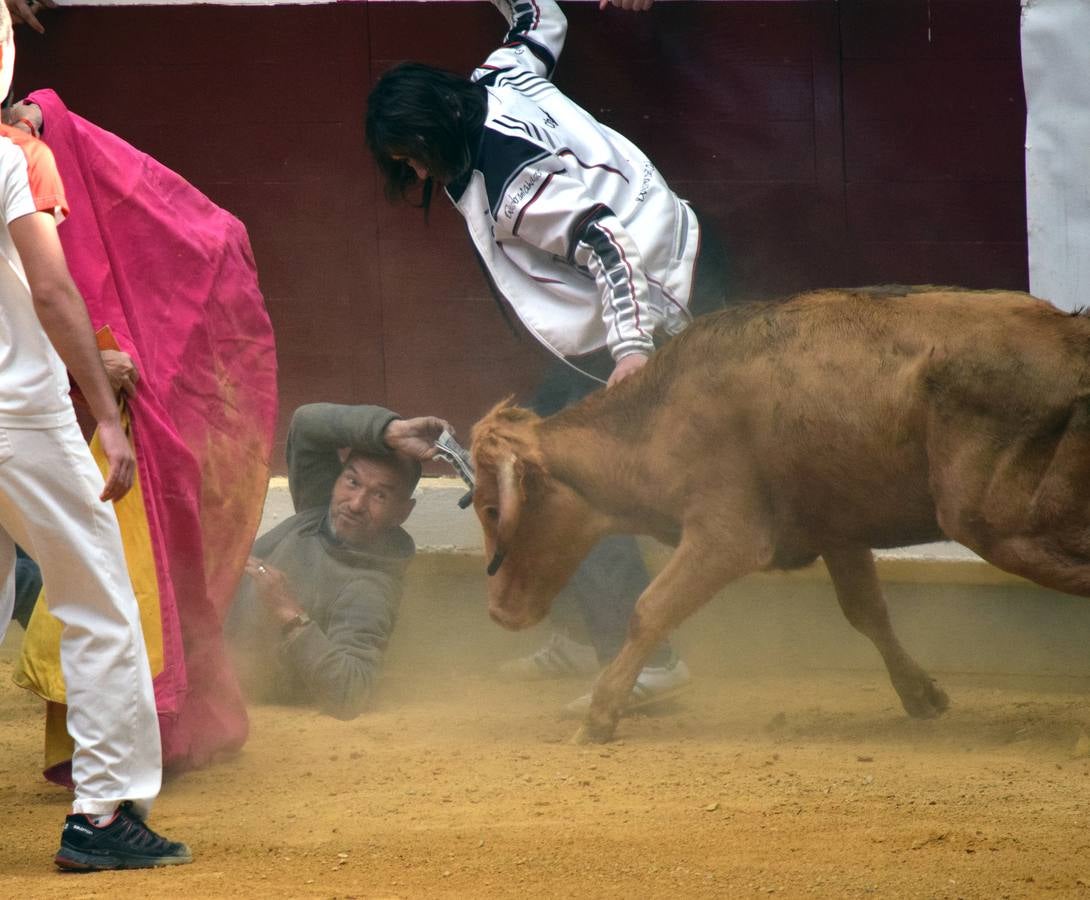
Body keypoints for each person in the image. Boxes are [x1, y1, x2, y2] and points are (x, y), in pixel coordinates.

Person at [365, 0, 727, 715]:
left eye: (406, 157)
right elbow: (540, 13)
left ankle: (649, 658)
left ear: (427, 134)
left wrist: (632, 350)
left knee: (561, 484)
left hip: (646, 317)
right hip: (678, 253)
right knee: (542, 458)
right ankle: (583, 632)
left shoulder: (511, 190)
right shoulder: (502, 75)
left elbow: (603, 241)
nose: (410, 171)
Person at [0, 6, 189, 871]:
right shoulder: (6, 161)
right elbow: (51, 290)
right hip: (19, 414)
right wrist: (105, 416)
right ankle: (103, 818)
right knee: (100, 607)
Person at [225, 403, 449, 720]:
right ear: (337, 480)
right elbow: (306, 423)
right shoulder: (320, 510)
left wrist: (289, 612)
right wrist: (389, 430)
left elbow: (350, 692)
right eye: (352, 482)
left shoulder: (369, 586)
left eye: (380, 496)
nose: (356, 504)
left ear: (402, 512)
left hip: (226, 686)